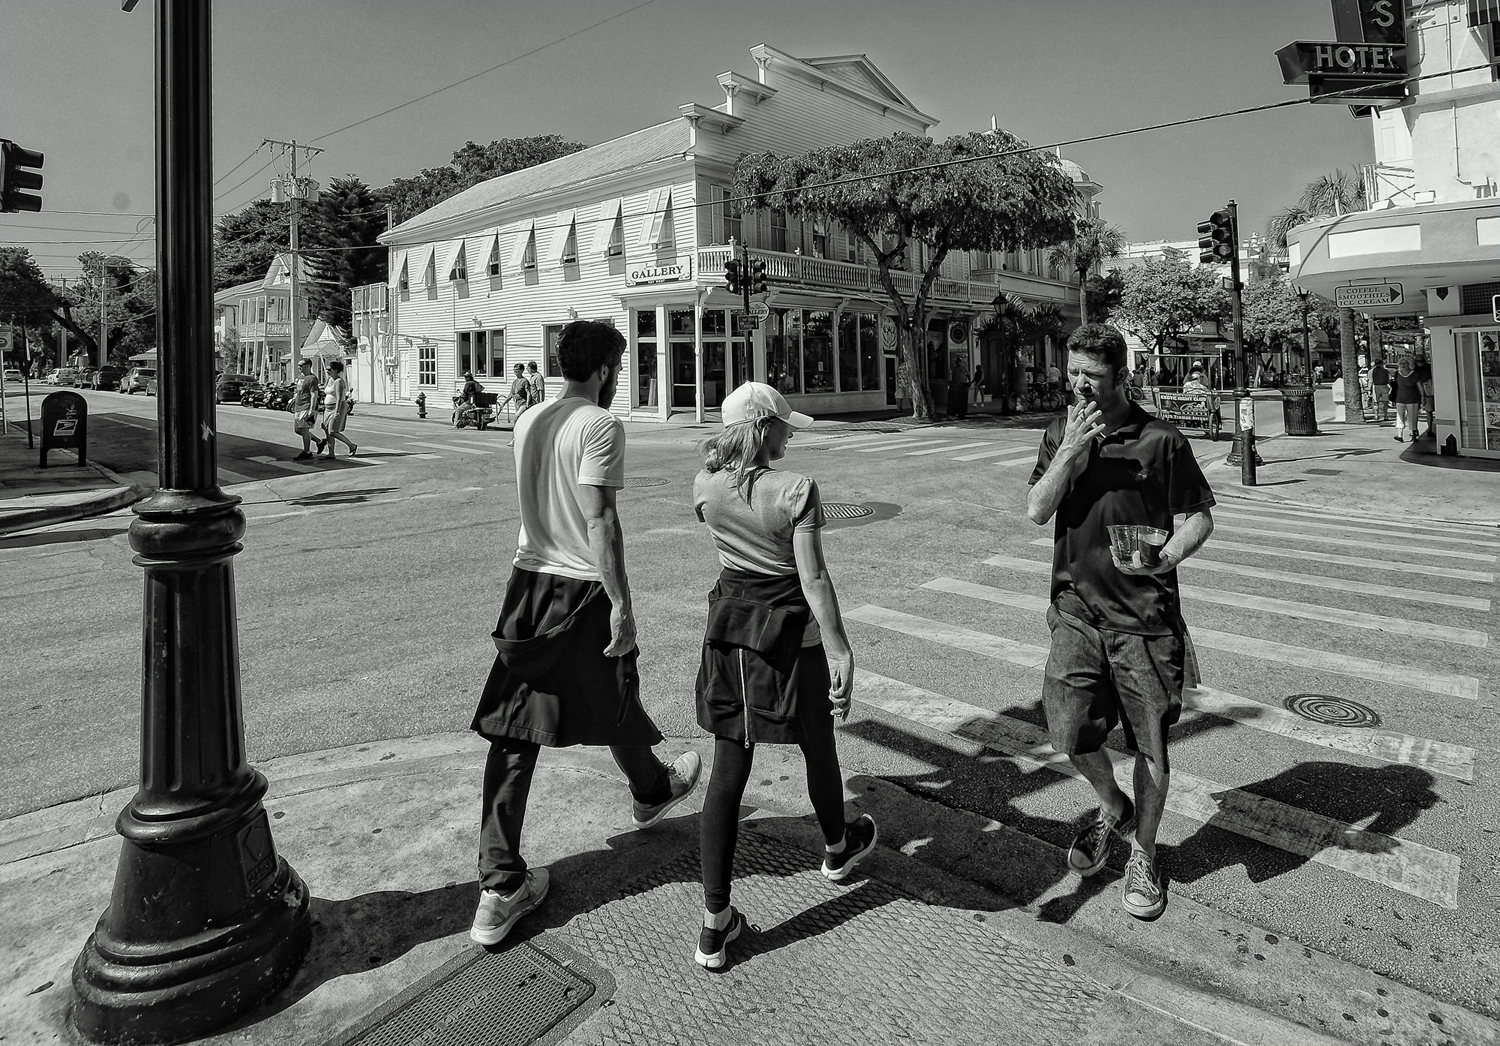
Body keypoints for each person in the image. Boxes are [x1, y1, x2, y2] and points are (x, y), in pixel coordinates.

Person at [469, 320, 702, 947]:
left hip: (528, 579)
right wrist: (622, 603)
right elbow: (602, 521)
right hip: (580, 586)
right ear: (602, 369)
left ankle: (650, 788)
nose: (621, 377)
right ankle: (500, 884)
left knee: (575, 703)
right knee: (555, 710)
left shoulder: (529, 420)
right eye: (619, 367)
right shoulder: (599, 425)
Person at [1026, 324, 1216, 921]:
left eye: (1093, 375)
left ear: (1121, 377)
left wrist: (1168, 554)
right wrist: (1069, 452)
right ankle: (1113, 806)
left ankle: (1145, 852)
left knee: (1152, 745)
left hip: (1145, 619)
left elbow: (1200, 517)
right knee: (1068, 731)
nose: (1079, 384)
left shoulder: (1161, 439)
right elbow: (1036, 510)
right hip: (1076, 611)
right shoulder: (1061, 431)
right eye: (1073, 371)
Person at [691, 381, 873, 970]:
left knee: (728, 771)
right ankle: (838, 847)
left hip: (731, 637)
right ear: (762, 429)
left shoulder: (704, 487)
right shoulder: (796, 490)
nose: (790, 433)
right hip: (793, 641)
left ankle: (715, 922)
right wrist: (842, 648)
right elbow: (814, 580)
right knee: (817, 744)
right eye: (783, 425)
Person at [318, 360, 357, 459]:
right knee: (327, 430)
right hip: (327, 408)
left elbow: (340, 398)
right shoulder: (329, 379)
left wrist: (337, 412)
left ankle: (351, 445)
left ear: (336, 370)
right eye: (326, 369)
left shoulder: (339, 381)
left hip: (336, 407)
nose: (327, 371)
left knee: (333, 431)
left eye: (329, 369)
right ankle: (331, 453)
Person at [289, 358, 321, 460]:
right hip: (299, 407)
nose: (299, 367)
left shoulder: (312, 379)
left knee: (304, 429)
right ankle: (319, 442)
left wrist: (311, 409)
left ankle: (307, 452)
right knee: (298, 430)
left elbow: (314, 394)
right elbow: (298, 392)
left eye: (301, 365)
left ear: (307, 366)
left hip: (306, 407)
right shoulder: (301, 378)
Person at [1392, 356, 1422, 443]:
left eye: (1405, 363)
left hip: (1412, 398)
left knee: (1412, 417)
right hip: (1400, 398)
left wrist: (1423, 397)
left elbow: (1420, 386)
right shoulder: (1397, 373)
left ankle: (1413, 434)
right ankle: (1399, 435)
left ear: (1409, 364)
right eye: (1401, 363)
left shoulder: (1415, 374)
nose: (1403, 365)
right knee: (1400, 417)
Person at [1417, 358, 1435, 438]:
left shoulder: (1429, 368)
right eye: (1418, 361)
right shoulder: (1414, 369)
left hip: (1427, 392)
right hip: (1418, 393)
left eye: (1421, 361)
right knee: (1415, 413)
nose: (1420, 363)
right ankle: (1415, 430)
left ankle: (1429, 429)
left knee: (1429, 412)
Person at [1370, 357, 1391, 422]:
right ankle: (1386, 416)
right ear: (1382, 364)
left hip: (1376, 386)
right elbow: (1389, 379)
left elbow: (1371, 380)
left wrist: (1369, 389)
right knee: (1385, 402)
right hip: (1384, 386)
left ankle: (1376, 415)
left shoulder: (1372, 371)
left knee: (1376, 402)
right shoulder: (1386, 371)